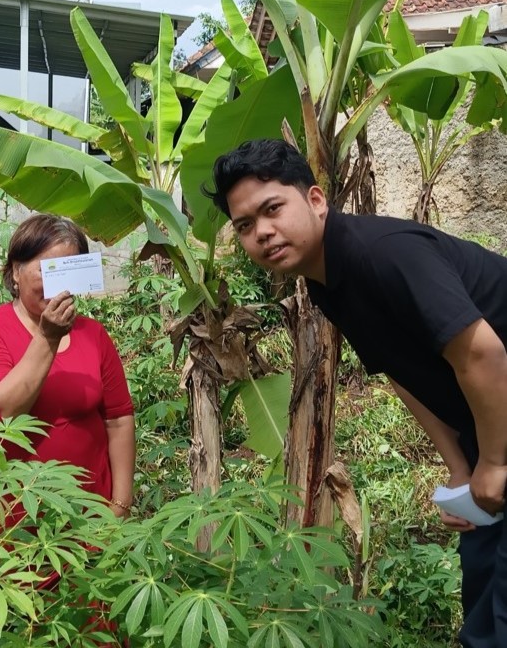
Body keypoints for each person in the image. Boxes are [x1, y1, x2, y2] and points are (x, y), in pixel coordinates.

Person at [205, 138, 507, 648]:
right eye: (245, 225)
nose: (262, 232)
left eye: (272, 209)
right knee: (482, 593)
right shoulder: (327, 283)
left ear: (316, 200)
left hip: (499, 419)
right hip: (490, 424)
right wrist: (460, 467)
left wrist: (495, 463)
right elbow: (401, 372)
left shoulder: (384, 254)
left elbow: (483, 355)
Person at [0, 213, 136, 525]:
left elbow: (118, 419)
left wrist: (120, 504)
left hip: (92, 517)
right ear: (16, 272)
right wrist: (47, 337)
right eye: (48, 270)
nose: (58, 285)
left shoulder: (92, 334)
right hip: (14, 519)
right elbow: (0, 412)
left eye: (69, 270)